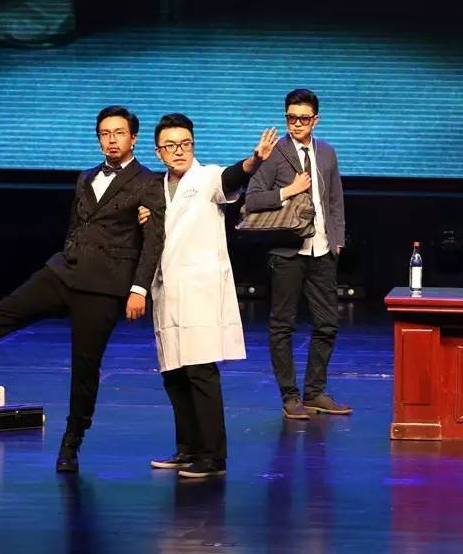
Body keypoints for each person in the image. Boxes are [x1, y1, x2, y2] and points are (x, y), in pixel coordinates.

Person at [0, 106, 165, 473]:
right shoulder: (86, 176)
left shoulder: (148, 182)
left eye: (119, 133)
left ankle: (71, 442)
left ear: (133, 138)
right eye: (105, 133)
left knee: (85, 366)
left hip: (105, 284)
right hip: (63, 271)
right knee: (1, 315)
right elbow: (76, 225)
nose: (111, 140)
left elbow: (153, 240)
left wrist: (138, 288)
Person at [141, 113, 278, 479]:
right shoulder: (154, 188)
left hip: (199, 289)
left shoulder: (206, 178)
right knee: (174, 374)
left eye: (185, 143)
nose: (179, 151)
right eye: (171, 145)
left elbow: (232, 177)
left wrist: (254, 161)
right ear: (158, 152)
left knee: (200, 371)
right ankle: (187, 448)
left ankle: (214, 457)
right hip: (167, 289)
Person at [244, 88, 350, 419]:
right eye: (292, 118)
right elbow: (252, 198)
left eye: (304, 118)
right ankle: (290, 397)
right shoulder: (276, 152)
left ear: (315, 120)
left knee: (327, 324)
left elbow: (335, 200)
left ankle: (314, 392)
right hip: (287, 252)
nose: (297, 124)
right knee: (283, 326)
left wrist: (337, 239)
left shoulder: (327, 152)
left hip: (322, 250)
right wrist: (289, 190)